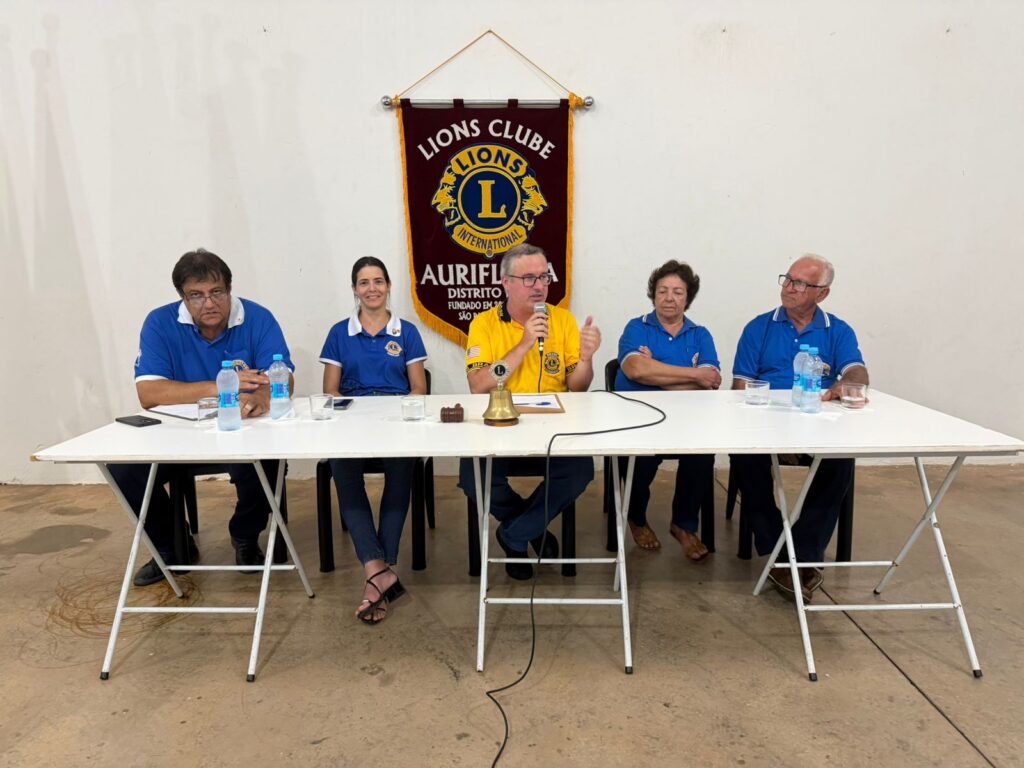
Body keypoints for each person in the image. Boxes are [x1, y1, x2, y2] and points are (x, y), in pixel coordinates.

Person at [108, 248, 294, 586]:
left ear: (229, 290)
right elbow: (149, 393)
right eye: (196, 295)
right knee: (123, 467)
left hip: (240, 430)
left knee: (268, 457)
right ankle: (171, 546)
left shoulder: (257, 317)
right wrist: (224, 385)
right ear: (182, 296)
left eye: (217, 292)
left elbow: (283, 376)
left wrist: (263, 396)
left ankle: (245, 536)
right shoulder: (160, 323)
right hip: (177, 435)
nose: (209, 303)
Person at [731, 253, 869, 602]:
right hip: (765, 427)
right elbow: (740, 388)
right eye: (787, 279)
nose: (789, 288)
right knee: (745, 457)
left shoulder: (837, 330)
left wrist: (842, 386)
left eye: (800, 283)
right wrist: (777, 432)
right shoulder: (758, 328)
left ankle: (803, 553)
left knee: (840, 460)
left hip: (818, 425)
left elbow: (857, 372)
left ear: (822, 293)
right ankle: (778, 553)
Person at [459, 243, 601, 580]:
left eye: (544, 277)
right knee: (472, 476)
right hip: (501, 427)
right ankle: (530, 529)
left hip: (554, 429)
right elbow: (479, 385)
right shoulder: (483, 324)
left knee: (580, 470)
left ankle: (515, 534)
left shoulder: (562, 320)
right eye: (528, 278)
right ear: (506, 282)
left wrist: (586, 359)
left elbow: (578, 386)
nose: (539, 286)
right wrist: (524, 343)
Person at [320, 257, 427, 624]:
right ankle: (378, 569)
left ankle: (377, 572)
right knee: (344, 473)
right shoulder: (339, 333)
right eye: (364, 282)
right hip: (352, 421)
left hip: (395, 420)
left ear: (388, 286)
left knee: (401, 471)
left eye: (378, 281)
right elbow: (331, 391)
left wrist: (397, 413)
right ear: (354, 289)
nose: (372, 289)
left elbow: (418, 388)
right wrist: (354, 416)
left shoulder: (406, 332)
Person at [614, 260, 722, 560]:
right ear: (653, 295)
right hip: (639, 418)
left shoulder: (700, 334)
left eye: (677, 292)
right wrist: (692, 374)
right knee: (639, 457)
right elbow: (635, 370)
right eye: (662, 291)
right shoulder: (637, 327)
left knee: (701, 453)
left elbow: (711, 381)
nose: (669, 298)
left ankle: (683, 525)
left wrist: (655, 371)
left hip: (687, 421)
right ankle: (636, 518)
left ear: (688, 297)